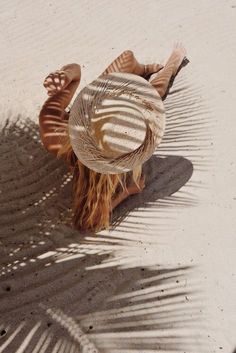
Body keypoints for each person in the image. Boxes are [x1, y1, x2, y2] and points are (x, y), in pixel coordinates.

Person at [39, 42, 187, 232]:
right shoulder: (112, 162)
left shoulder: (52, 129)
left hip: (97, 104)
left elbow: (75, 73)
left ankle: (142, 69)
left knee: (127, 57)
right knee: (155, 92)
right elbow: (86, 223)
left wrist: (64, 74)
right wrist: (128, 192)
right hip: (103, 112)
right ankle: (172, 63)